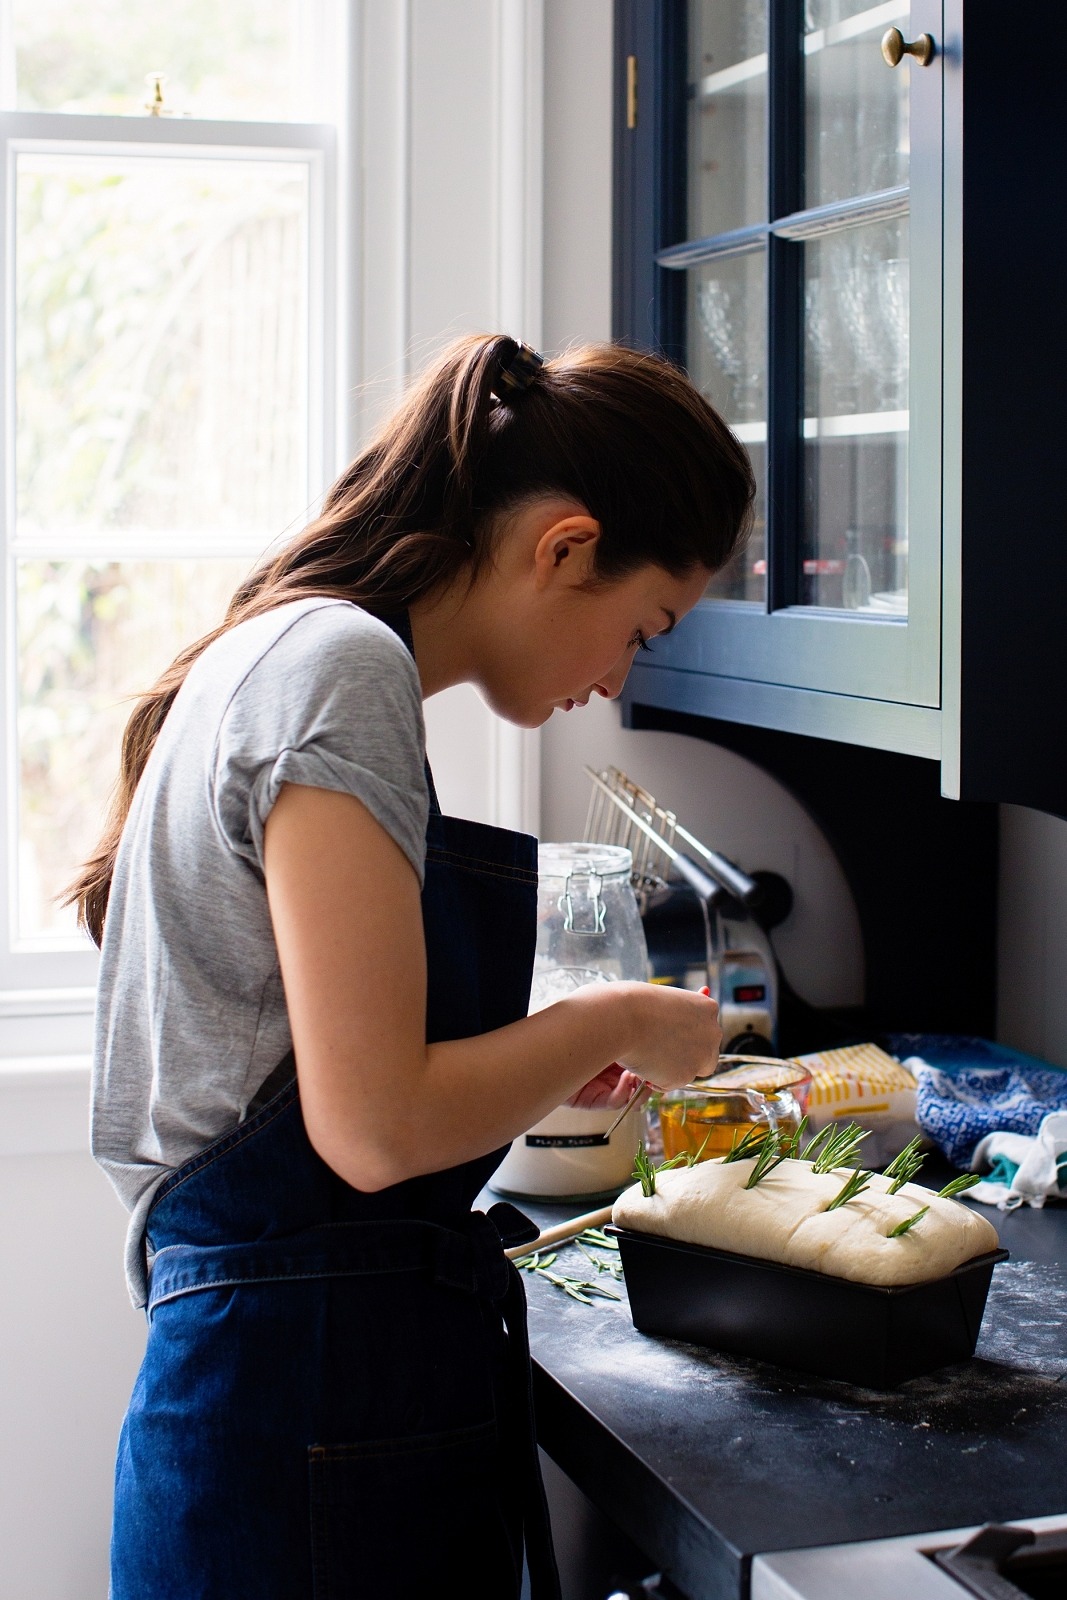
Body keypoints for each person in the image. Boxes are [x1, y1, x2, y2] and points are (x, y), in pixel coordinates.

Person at [70, 333, 754, 1598]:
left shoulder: (287, 650)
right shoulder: (341, 670)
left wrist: (557, 1054)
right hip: (303, 1424)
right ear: (564, 547)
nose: (611, 681)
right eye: (640, 630)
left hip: (288, 1389)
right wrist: (616, 1015)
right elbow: (375, 1131)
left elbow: (331, 1083)